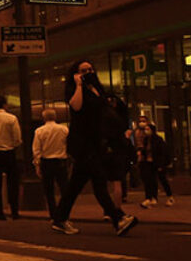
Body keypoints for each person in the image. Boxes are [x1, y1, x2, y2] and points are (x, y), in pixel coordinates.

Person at [50, 60, 137, 236]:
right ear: (76, 73)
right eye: (83, 70)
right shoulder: (74, 89)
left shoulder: (96, 89)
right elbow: (76, 106)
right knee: (99, 180)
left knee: (75, 185)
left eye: (90, 69)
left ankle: (60, 218)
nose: (89, 72)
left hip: (95, 142)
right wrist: (79, 85)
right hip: (82, 143)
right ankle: (117, 218)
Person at [32, 108, 70, 223]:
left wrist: (37, 165)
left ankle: (53, 215)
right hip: (61, 161)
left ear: (44, 118)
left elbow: (36, 150)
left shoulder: (39, 131)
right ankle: (64, 213)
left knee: (49, 191)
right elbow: (69, 144)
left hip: (47, 162)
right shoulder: (64, 129)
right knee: (64, 189)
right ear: (55, 117)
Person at [133, 116, 173, 207]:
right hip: (148, 162)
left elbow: (161, 153)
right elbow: (144, 149)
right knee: (149, 180)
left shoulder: (158, 140)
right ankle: (150, 198)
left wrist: (161, 165)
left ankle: (170, 196)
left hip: (157, 163)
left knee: (162, 180)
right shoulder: (146, 139)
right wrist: (140, 152)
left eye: (148, 129)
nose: (146, 131)